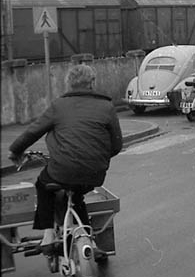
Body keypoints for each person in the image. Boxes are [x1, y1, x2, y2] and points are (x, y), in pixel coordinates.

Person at [8, 64, 122, 254]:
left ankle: (48, 235)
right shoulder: (107, 106)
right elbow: (116, 145)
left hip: (63, 169)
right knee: (76, 196)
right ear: (92, 83)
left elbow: (33, 131)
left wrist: (15, 151)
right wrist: (97, 156)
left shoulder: (59, 106)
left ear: (68, 84)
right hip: (95, 173)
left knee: (43, 185)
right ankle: (89, 241)